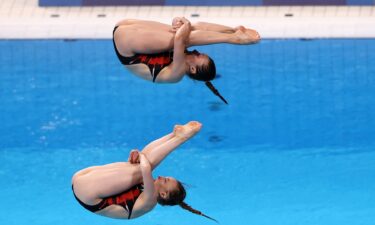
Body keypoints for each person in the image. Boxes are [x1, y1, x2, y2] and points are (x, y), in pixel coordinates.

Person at [71, 121, 217, 222]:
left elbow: (146, 168)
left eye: (165, 180)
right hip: (83, 186)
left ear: (163, 194)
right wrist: (135, 157)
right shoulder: (149, 187)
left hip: (87, 194)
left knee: (143, 167)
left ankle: (180, 138)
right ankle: (174, 135)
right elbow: (140, 165)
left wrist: (139, 157)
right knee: (139, 164)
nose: (160, 177)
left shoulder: (149, 200)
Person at [113, 17, 261, 104]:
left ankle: (234, 39)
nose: (197, 52)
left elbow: (180, 38)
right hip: (125, 26)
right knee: (192, 30)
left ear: (193, 69)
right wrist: (181, 22)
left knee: (187, 37)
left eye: (198, 56)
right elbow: (181, 24)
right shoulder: (184, 55)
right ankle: (232, 31)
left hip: (126, 45)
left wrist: (185, 25)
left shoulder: (175, 75)